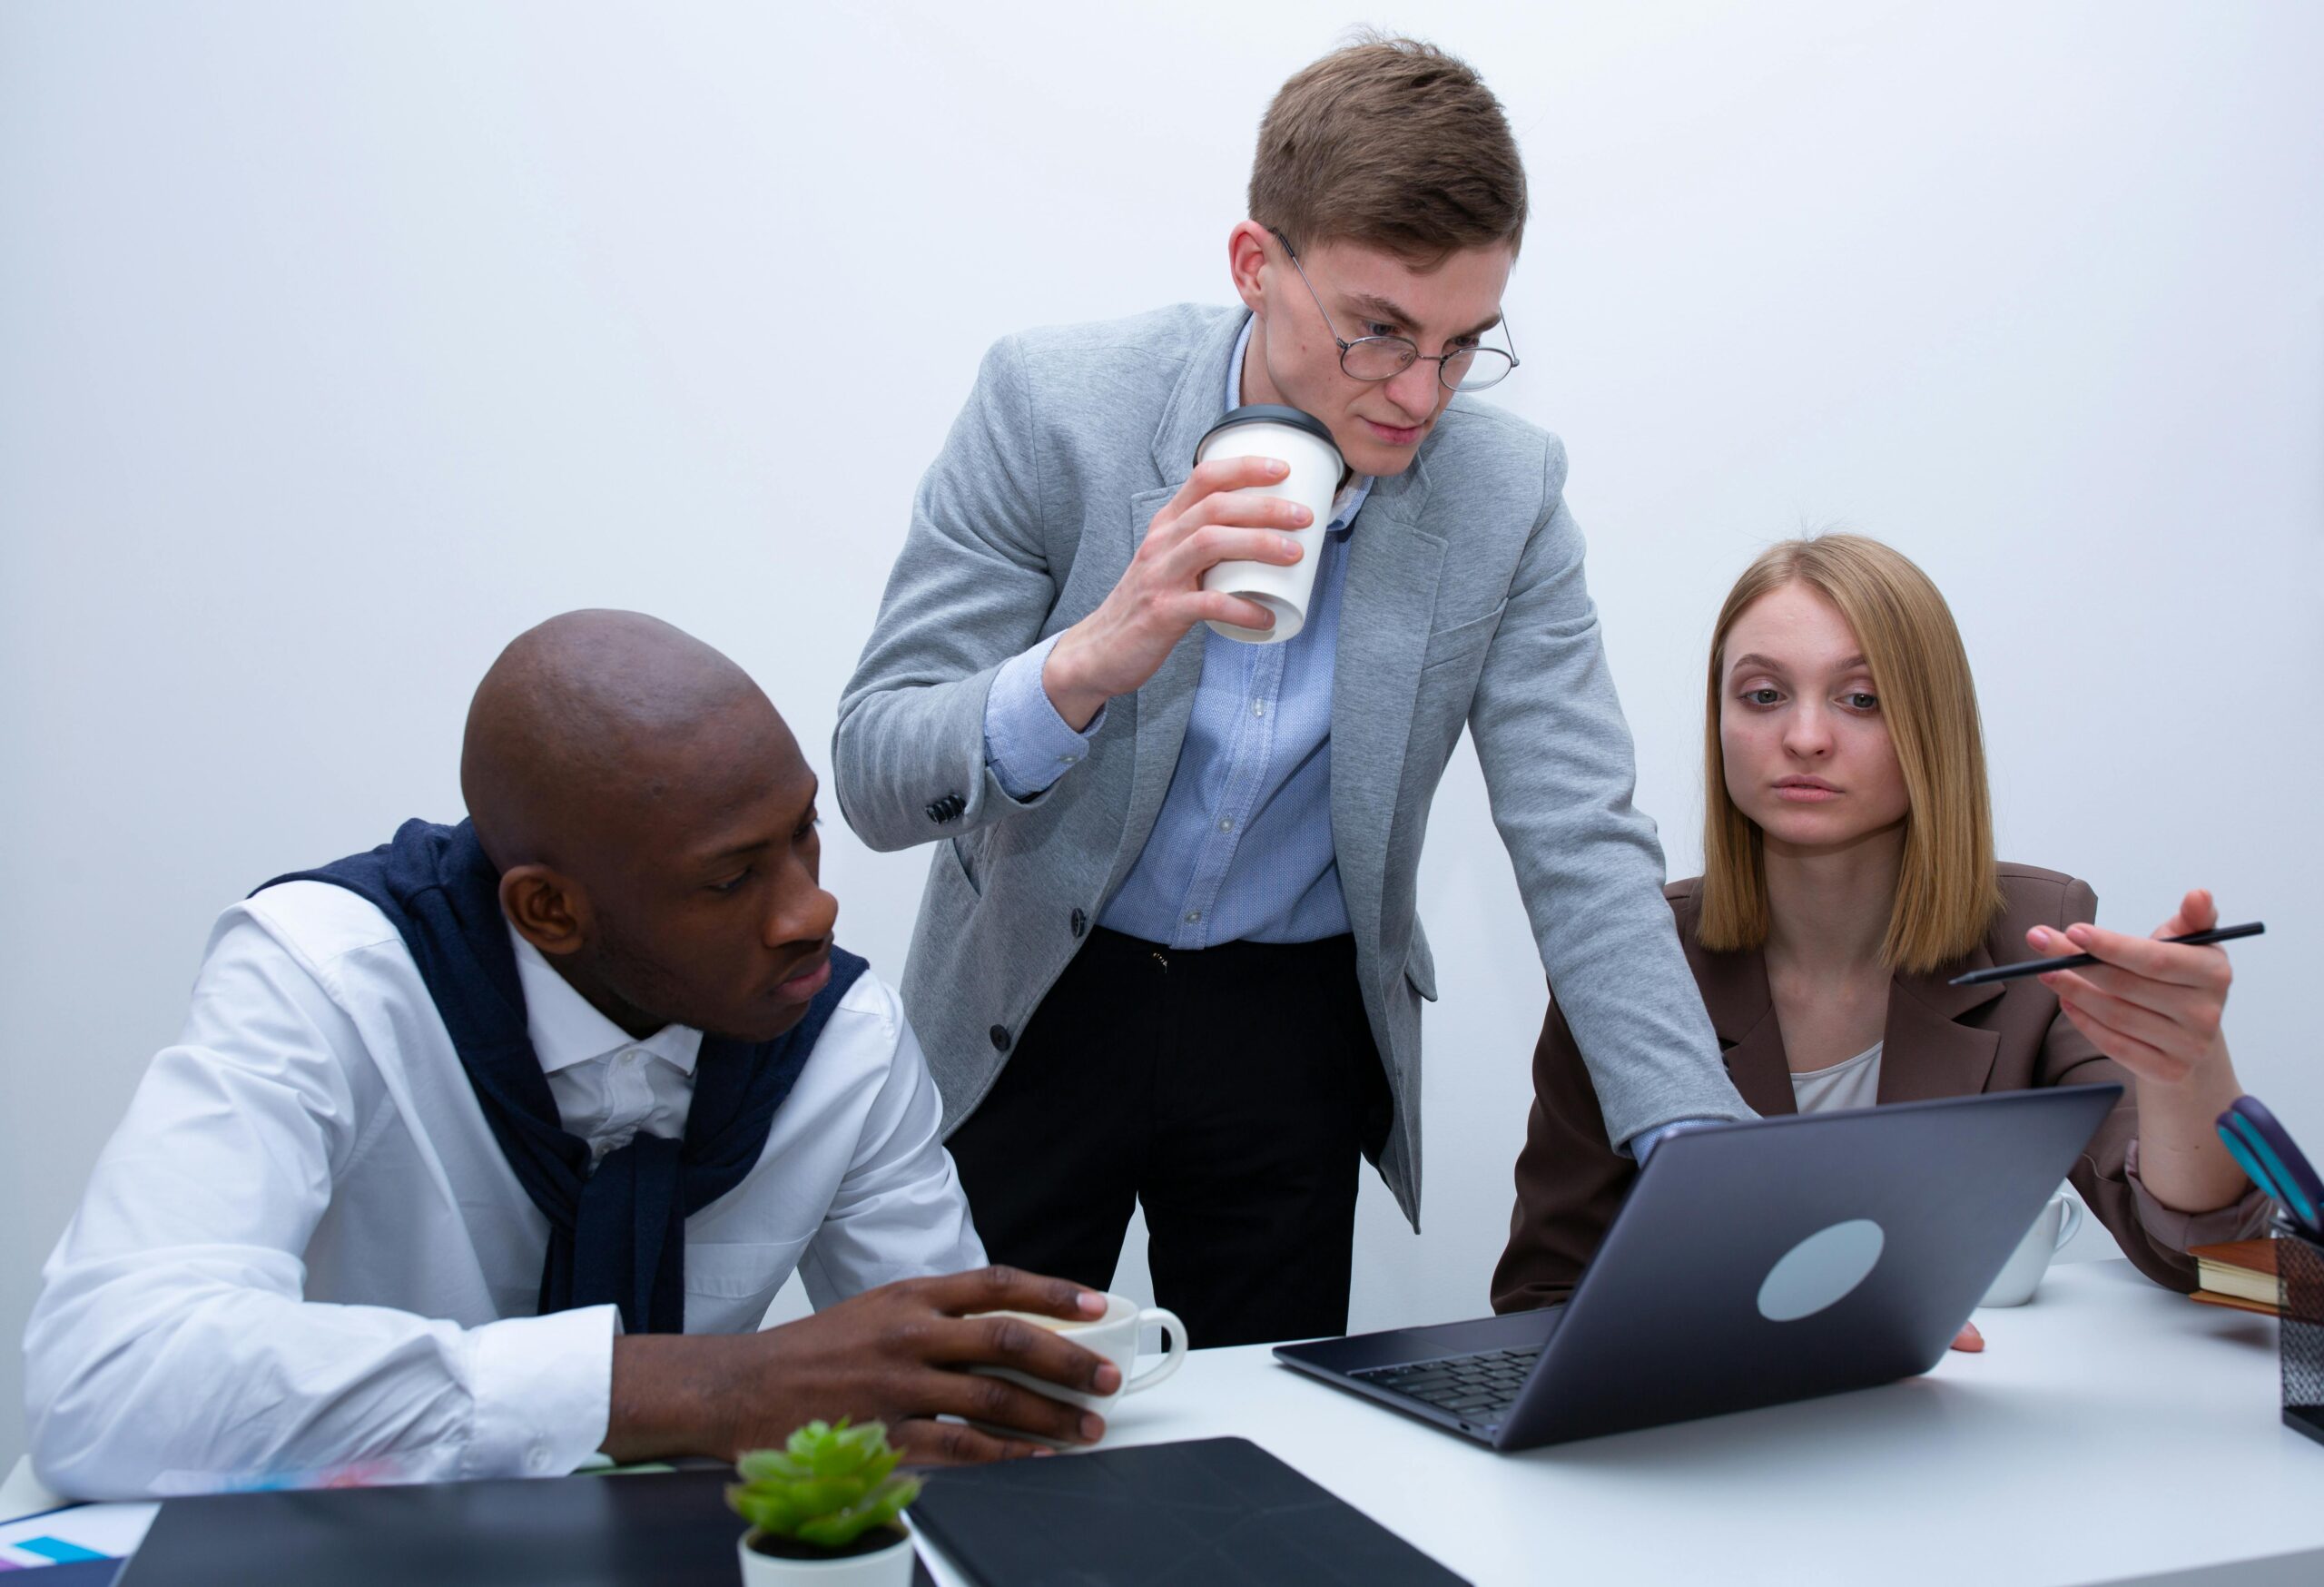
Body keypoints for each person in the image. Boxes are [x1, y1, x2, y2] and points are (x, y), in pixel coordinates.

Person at [834, 35, 1752, 1349]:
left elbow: (1583, 841)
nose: (1419, 395)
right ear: (1256, 266)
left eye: (1462, 345)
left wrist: (1703, 1160)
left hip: (1291, 1027)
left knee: (1264, 1486)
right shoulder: (1054, 409)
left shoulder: (1508, 494)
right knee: (980, 1427)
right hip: (1036, 994)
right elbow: (875, 765)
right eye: (1379, 332)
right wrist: (1091, 657)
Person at [25, 611, 1124, 1502]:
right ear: (548, 910)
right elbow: (106, 1381)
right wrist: (686, 1388)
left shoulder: (841, 1031)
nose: (814, 910)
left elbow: (933, 1399)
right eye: (732, 877)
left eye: (803, 834)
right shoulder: (325, 982)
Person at [1492, 536, 2270, 1336]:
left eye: (1861, 699)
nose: (1805, 738)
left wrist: (2189, 1073)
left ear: (1933, 727)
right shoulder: (1630, 955)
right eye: (1762, 695)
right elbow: (1542, 1298)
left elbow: (2197, 1259)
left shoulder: (2030, 938)